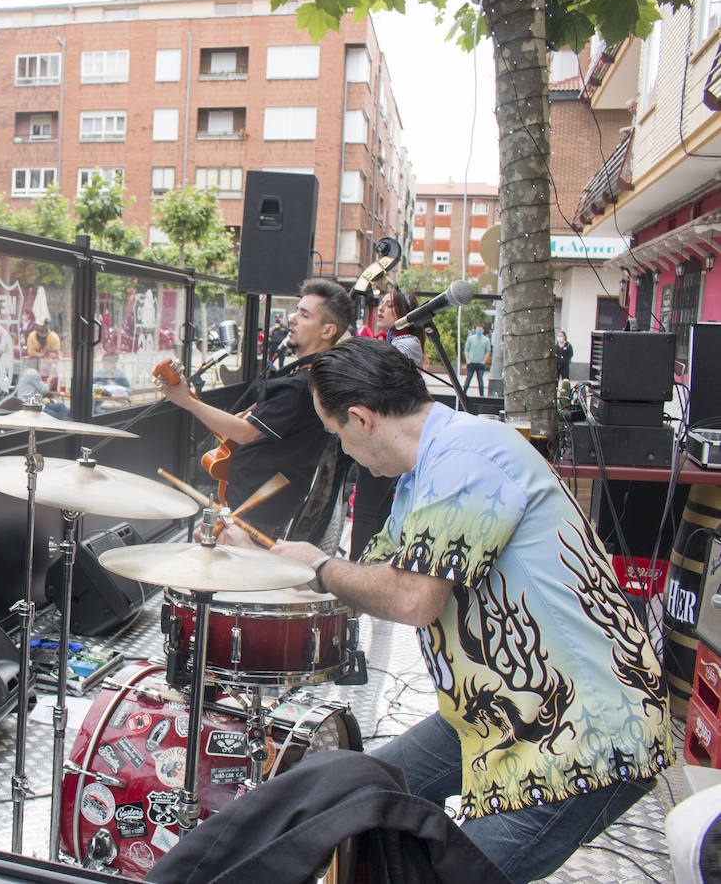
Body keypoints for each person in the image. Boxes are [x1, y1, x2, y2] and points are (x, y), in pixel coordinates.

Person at [261, 337, 670, 884]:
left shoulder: (468, 458)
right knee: (357, 795)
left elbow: (412, 600)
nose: (343, 451)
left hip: (580, 734)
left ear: (360, 419)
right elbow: (368, 580)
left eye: (336, 436)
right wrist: (270, 567)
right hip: (497, 710)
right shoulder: (421, 473)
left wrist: (318, 565)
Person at [161, 279, 352, 541]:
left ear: (328, 330)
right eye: (297, 310)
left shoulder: (301, 385)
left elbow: (246, 433)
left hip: (257, 512)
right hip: (255, 504)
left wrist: (187, 401)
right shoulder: (306, 375)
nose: (292, 319)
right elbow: (246, 427)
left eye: (304, 315)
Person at [351, 284, 427, 559]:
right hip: (382, 436)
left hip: (384, 439)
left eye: (388, 304)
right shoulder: (393, 340)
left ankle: (358, 570)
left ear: (405, 313)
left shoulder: (404, 344)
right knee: (375, 511)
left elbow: (377, 386)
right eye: (380, 303)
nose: (380, 308)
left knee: (368, 511)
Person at [464, 323, 491, 396]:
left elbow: (487, 351)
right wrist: (467, 360)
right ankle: (464, 392)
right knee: (468, 378)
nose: (479, 331)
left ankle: (481, 394)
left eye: (480, 330)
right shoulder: (471, 338)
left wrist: (484, 361)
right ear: (475, 330)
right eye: (477, 329)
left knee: (480, 380)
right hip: (472, 362)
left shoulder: (486, 340)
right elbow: (466, 349)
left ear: (483, 330)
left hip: (480, 363)